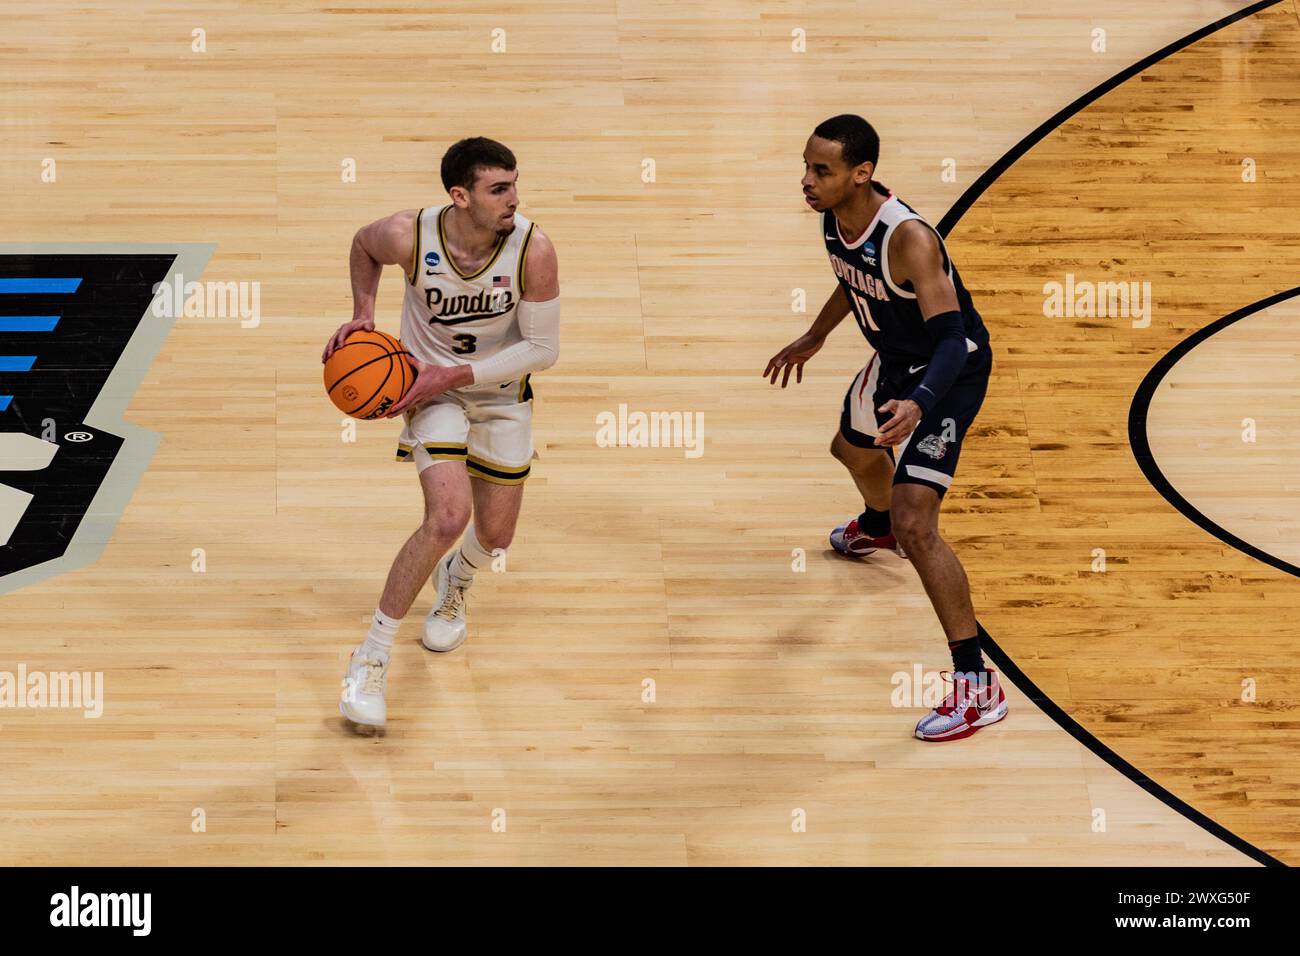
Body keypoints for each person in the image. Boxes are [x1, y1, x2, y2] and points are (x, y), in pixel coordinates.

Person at [764, 114, 1006, 742]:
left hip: (947, 374)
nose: (807, 181)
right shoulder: (836, 218)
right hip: (898, 363)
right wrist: (814, 336)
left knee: (918, 521)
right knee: (849, 449)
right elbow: (855, 281)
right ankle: (876, 530)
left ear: (860, 174)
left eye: (822, 170)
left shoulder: (910, 239)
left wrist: (921, 403)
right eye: (808, 167)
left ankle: (976, 686)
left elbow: (953, 338)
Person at [323, 137, 560, 728]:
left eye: (514, 185)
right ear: (460, 196)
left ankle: (457, 579)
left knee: (495, 535)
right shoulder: (411, 234)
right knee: (448, 517)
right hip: (433, 394)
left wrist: (454, 371)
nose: (514, 199)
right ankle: (370, 656)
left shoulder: (534, 249)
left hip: (500, 394)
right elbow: (362, 245)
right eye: (498, 189)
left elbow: (543, 350)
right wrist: (362, 313)